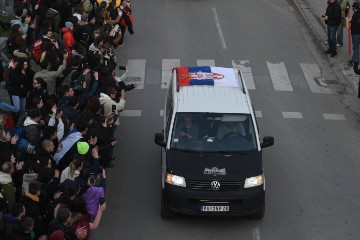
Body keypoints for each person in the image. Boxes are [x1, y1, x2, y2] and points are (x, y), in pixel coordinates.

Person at [351, 1, 360, 65]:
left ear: (354, 7)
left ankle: (354, 61)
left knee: (355, 47)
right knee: (357, 47)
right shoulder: (357, 13)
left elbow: (357, 23)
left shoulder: (357, 14)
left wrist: (352, 22)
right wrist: (351, 21)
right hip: (357, 33)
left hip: (356, 33)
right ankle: (357, 58)